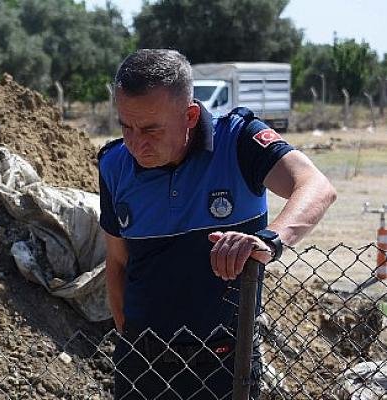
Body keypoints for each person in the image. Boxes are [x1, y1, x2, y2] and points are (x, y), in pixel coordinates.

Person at [98, 49, 336, 399]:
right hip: (141, 368)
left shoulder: (238, 142)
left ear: (190, 115)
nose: (136, 143)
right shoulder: (113, 164)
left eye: (151, 128)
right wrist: (132, 341)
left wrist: (269, 240)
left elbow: (316, 186)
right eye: (126, 126)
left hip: (225, 367)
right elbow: (117, 262)